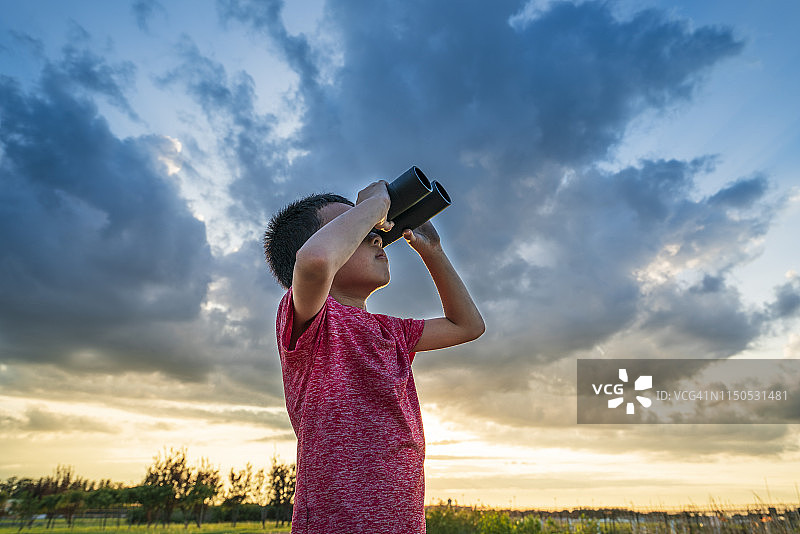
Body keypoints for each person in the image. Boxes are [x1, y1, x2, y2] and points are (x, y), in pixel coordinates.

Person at [263, 180, 485, 533]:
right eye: (359, 230)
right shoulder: (312, 322)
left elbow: (467, 325)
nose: (376, 237)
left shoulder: (393, 333)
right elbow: (315, 261)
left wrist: (433, 250)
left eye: (375, 231)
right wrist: (375, 206)